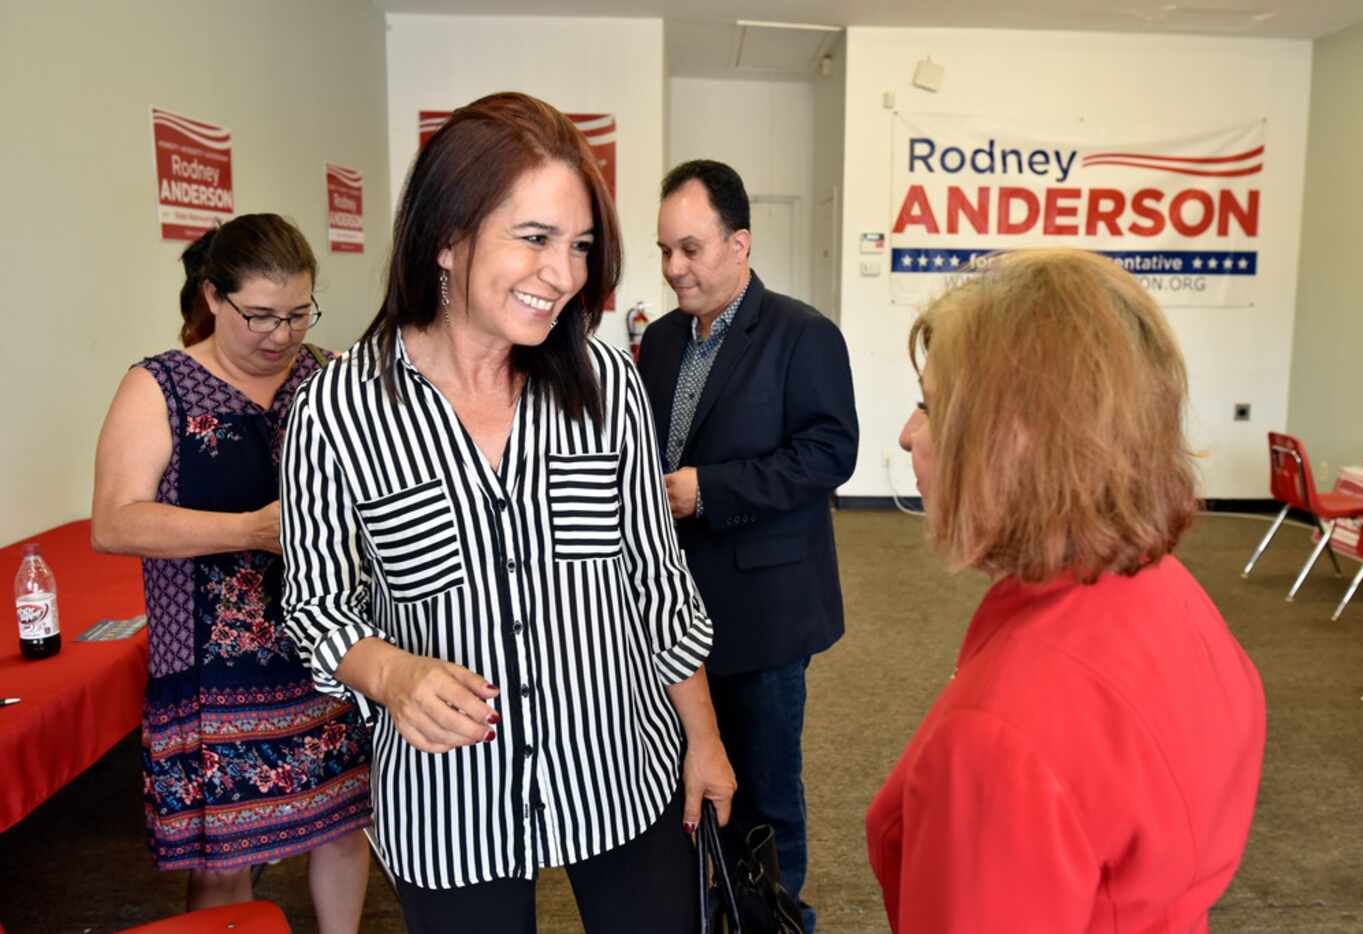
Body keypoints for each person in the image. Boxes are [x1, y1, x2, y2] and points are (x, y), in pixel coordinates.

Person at [277, 92, 735, 934]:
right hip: (451, 805)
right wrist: (390, 671)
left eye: (580, 245)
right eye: (534, 238)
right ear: (447, 239)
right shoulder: (337, 409)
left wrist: (702, 739)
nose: (564, 275)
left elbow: (658, 583)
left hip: (620, 769)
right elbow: (313, 604)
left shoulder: (604, 388)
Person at [867, 249, 1267, 932]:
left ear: (1017, 441)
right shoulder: (1168, 590)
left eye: (930, 408)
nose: (908, 436)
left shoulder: (999, 740)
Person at [91, 214, 371, 932]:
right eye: (260, 316)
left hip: (324, 652)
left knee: (342, 824)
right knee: (225, 861)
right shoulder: (161, 387)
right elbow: (116, 522)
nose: (281, 335)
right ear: (213, 298)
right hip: (214, 677)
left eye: (297, 314)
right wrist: (249, 531)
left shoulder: (327, 378)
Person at [640, 159, 859, 934]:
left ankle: (772, 919)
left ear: (740, 244)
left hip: (764, 611)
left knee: (765, 790)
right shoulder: (659, 341)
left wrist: (711, 490)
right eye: (665, 249)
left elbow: (831, 454)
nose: (674, 268)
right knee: (684, 783)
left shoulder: (804, 335)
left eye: (691, 249)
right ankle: (707, 909)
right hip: (668, 611)